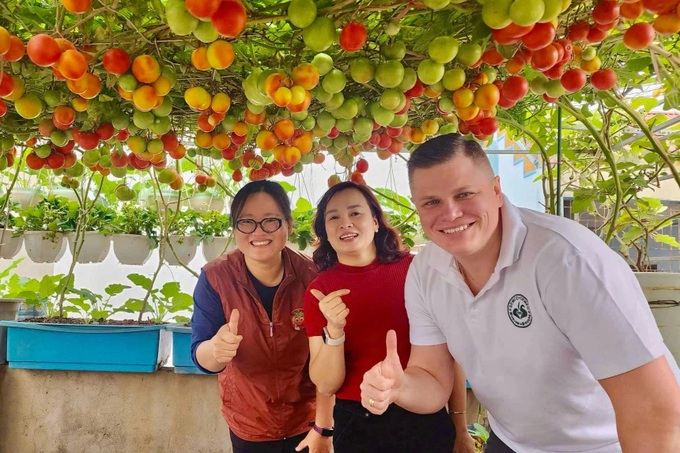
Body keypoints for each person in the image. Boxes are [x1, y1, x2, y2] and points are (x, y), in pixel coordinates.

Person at [360, 133, 680, 452]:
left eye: (465, 194)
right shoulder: (425, 271)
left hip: (604, 444)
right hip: (511, 442)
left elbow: (652, 407)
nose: (451, 213)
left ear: (496, 191)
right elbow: (432, 380)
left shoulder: (567, 262)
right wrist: (401, 386)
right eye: (432, 202)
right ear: (418, 207)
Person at [303, 181, 474, 453]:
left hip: (424, 412)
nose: (345, 223)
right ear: (324, 231)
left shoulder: (417, 271)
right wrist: (334, 332)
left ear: (375, 221)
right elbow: (326, 383)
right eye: (333, 217)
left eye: (355, 213)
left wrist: (460, 426)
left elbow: (450, 353)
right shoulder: (319, 292)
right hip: (359, 422)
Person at [191, 181, 333, 453]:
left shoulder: (312, 278)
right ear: (234, 229)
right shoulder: (215, 278)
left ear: (288, 225)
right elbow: (201, 355)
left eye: (270, 221)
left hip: (307, 422)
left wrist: (323, 427)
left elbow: (329, 357)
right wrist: (217, 350)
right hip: (249, 424)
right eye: (247, 222)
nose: (258, 231)